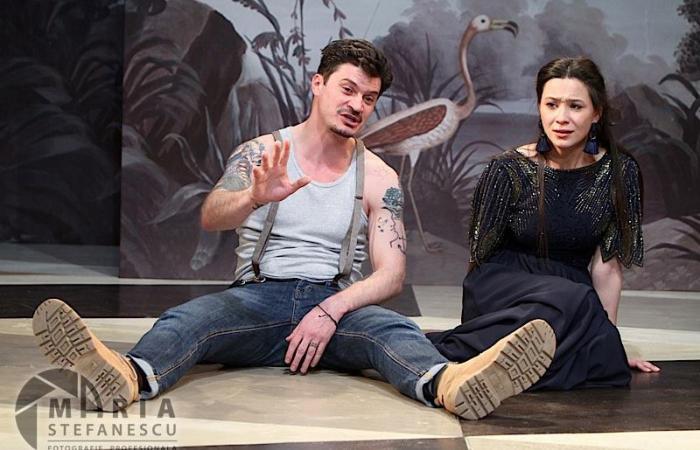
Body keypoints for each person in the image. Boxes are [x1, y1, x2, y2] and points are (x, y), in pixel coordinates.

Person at [32, 39, 556, 420]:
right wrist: (254, 196)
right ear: (318, 84)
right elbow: (211, 215)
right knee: (189, 321)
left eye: (369, 97)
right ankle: (125, 375)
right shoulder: (261, 152)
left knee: (393, 332)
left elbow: (391, 273)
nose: (357, 105)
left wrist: (330, 310)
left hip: (334, 301)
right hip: (256, 299)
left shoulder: (379, 176)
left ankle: (452, 384)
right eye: (348, 89)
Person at [427, 57, 660, 391]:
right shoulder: (506, 170)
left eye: (575, 106)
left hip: (571, 294)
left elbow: (606, 267)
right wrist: (481, 322)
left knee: (604, 360)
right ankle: (489, 354)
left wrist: (608, 338)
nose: (561, 118)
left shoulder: (620, 172)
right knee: (574, 306)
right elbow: (479, 262)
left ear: (596, 113)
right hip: (505, 285)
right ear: (539, 107)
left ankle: (500, 367)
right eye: (551, 105)